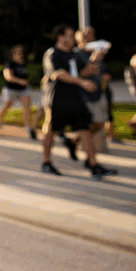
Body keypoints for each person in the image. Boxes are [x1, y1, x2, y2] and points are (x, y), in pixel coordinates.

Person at [40, 24, 117, 179]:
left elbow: (84, 72)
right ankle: (46, 162)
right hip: (57, 99)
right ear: (60, 37)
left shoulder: (74, 55)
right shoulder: (52, 54)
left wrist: (95, 59)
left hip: (76, 99)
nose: (73, 39)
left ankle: (93, 165)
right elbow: (58, 74)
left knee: (85, 130)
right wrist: (82, 82)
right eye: (69, 36)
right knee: (51, 130)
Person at [74, 27, 110, 154]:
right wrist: (94, 60)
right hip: (83, 95)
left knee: (100, 122)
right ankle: (81, 145)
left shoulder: (96, 52)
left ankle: (74, 142)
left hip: (98, 93)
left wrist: (105, 75)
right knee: (89, 122)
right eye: (85, 37)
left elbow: (103, 70)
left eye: (91, 36)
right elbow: (80, 74)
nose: (89, 39)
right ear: (78, 39)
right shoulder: (75, 55)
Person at [0, 45, 36, 139]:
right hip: (11, 88)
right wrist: (20, 81)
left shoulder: (23, 63)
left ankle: (28, 128)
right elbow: (8, 76)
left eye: (21, 52)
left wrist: (26, 83)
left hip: (23, 89)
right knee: (8, 104)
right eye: (17, 52)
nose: (20, 54)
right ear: (13, 53)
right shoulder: (10, 63)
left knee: (26, 107)